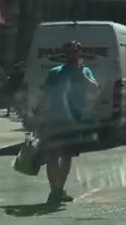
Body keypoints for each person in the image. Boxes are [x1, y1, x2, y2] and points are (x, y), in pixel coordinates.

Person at [37, 41, 99, 205]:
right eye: (70, 51)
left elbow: (94, 89)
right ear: (65, 54)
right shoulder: (56, 72)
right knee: (52, 156)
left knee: (67, 156)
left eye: (75, 51)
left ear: (80, 53)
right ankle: (54, 190)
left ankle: (60, 189)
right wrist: (39, 116)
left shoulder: (85, 71)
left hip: (74, 120)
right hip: (55, 119)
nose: (72, 54)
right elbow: (45, 95)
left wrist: (82, 75)